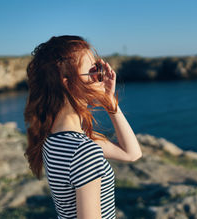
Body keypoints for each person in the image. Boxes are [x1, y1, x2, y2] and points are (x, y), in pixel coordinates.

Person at [24, 35, 142, 219]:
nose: (101, 76)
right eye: (94, 70)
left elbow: (131, 153)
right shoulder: (83, 150)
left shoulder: (53, 138)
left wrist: (110, 103)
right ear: (67, 83)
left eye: (100, 69)